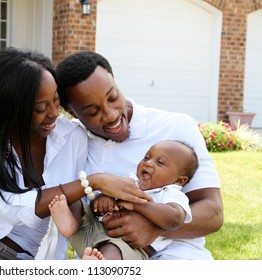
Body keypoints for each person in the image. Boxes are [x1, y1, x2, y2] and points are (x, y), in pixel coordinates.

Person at [0, 48, 151, 260]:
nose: (54, 113)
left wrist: (77, 213)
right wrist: (92, 181)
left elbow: (72, 209)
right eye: (40, 108)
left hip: (29, 257)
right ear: (10, 107)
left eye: (56, 101)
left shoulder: (72, 138)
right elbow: (11, 209)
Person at [55, 51, 223, 260]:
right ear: (72, 113)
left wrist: (155, 228)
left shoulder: (175, 127)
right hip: (109, 252)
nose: (111, 115)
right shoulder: (72, 141)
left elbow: (214, 212)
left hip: (179, 256)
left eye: (113, 97)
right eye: (92, 111)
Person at [49, 140, 211, 260]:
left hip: (130, 247)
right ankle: (70, 225)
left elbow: (174, 219)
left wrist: (137, 204)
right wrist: (102, 200)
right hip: (95, 233)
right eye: (147, 157)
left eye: (160, 162)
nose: (148, 163)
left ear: (179, 180)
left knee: (113, 250)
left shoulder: (170, 193)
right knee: (77, 201)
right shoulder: (130, 183)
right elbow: (97, 205)